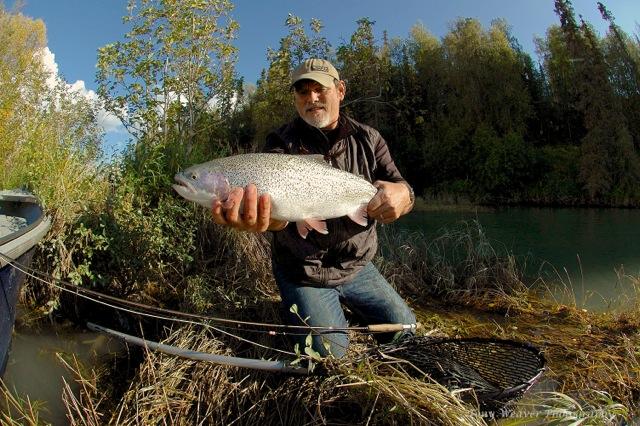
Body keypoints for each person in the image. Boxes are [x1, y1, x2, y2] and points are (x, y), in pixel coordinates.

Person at [211, 58, 416, 358]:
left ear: (340, 90)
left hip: (357, 266)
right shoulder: (280, 142)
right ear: (295, 99)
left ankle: (345, 310)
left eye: (319, 89)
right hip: (301, 271)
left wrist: (403, 195)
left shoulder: (369, 139)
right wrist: (266, 221)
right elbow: (278, 219)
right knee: (329, 355)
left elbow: (402, 188)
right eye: (303, 92)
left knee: (407, 332)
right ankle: (320, 312)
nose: (312, 98)